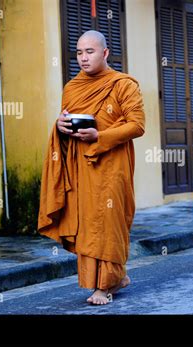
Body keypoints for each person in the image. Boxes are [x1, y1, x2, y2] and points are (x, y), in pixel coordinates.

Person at [37, 30, 145, 305]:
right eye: (79, 53)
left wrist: (101, 136)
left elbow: (137, 125)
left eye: (90, 52)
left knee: (108, 223)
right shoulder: (72, 87)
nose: (83, 58)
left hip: (112, 165)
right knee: (88, 224)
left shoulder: (124, 85)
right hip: (82, 167)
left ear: (105, 53)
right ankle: (114, 278)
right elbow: (67, 122)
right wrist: (59, 127)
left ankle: (106, 285)